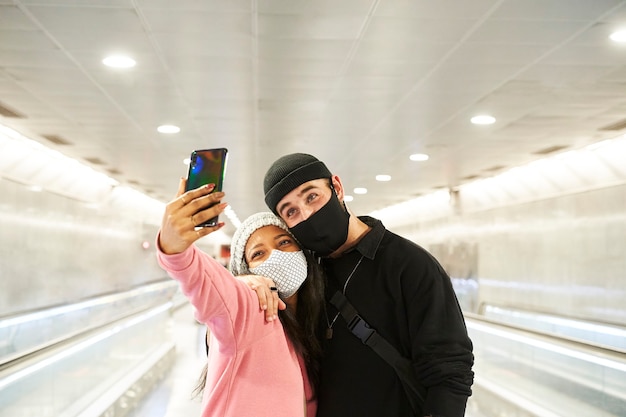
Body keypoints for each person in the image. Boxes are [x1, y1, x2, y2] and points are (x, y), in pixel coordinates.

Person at [261, 153, 475, 417]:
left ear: (336, 187)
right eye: (291, 211)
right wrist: (248, 285)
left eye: (311, 196)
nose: (307, 214)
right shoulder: (305, 275)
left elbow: (450, 370)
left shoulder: (409, 265)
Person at [156, 179, 324, 417]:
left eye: (284, 242)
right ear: (246, 270)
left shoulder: (313, 327)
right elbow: (208, 284)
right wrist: (176, 250)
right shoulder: (254, 313)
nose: (275, 256)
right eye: (258, 253)